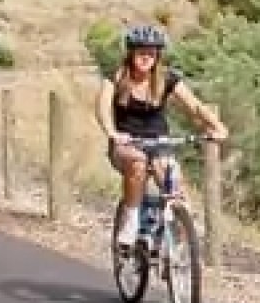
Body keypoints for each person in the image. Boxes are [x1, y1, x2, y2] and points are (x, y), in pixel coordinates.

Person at [95, 24, 227, 250]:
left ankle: (176, 240)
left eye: (151, 53)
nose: (146, 57)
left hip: (159, 142)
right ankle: (131, 220)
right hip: (127, 143)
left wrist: (216, 126)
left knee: (172, 184)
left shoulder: (167, 79)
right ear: (131, 53)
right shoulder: (116, 77)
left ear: (157, 56)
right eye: (141, 52)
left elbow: (194, 106)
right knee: (137, 163)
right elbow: (102, 108)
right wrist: (112, 133)